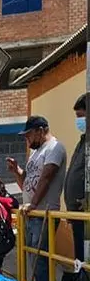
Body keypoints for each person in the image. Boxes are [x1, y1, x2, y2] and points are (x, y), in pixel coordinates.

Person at [8, 115, 67, 281]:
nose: (27, 140)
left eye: (29, 135)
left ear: (41, 131)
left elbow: (46, 178)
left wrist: (33, 204)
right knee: (31, 258)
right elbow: (27, 183)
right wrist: (17, 171)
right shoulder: (35, 153)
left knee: (41, 260)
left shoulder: (55, 148)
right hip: (30, 213)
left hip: (43, 213)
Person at [64, 94, 87, 261]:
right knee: (79, 256)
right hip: (77, 214)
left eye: (81, 116)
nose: (78, 121)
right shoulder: (83, 142)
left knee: (85, 255)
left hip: (85, 214)